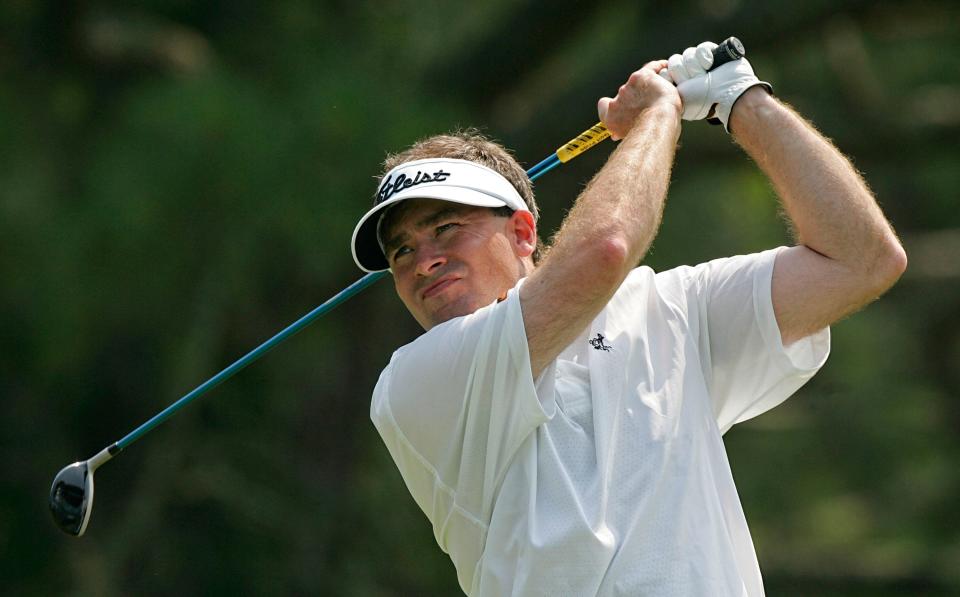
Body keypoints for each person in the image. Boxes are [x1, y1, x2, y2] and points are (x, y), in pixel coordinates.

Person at [350, 41, 906, 596]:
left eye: (446, 228)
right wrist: (659, 113)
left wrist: (740, 100)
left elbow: (862, 260)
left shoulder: (672, 310)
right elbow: (607, 249)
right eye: (402, 252)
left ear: (522, 232)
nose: (424, 261)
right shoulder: (416, 382)